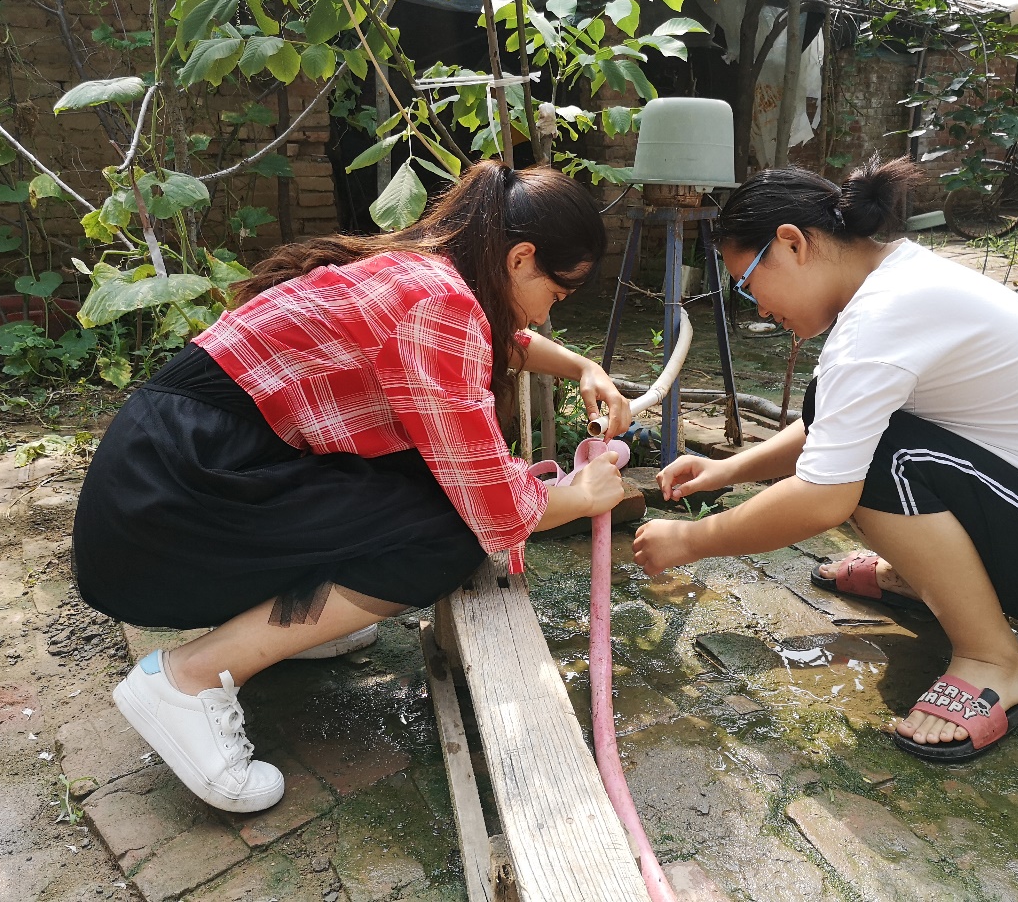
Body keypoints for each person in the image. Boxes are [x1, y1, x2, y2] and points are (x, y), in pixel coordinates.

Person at [72, 161, 631, 811]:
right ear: (521, 258)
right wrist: (583, 493)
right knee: (445, 534)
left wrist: (582, 366)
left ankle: (289, 620)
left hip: (161, 473)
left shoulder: (425, 274)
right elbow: (496, 508)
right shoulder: (442, 305)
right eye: (557, 294)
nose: (551, 311)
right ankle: (187, 681)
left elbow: (506, 341)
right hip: (166, 505)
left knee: (414, 482)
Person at [631, 156, 1018, 762]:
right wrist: (729, 469)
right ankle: (925, 576)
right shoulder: (895, 284)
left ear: (792, 244)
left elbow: (823, 497)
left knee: (882, 460)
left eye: (747, 283)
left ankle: (994, 659)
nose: (755, 307)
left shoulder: (877, 324)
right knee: (839, 415)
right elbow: (831, 423)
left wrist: (692, 539)